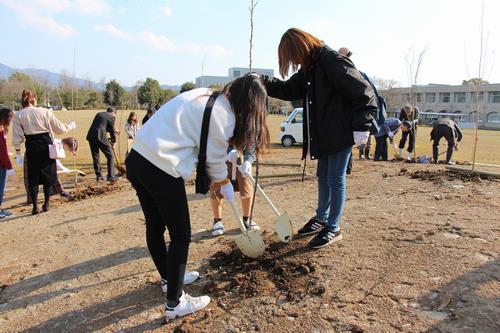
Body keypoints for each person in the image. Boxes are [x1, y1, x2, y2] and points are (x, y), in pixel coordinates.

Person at [126, 74, 270, 320]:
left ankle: (169, 280)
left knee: (156, 226)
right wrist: (224, 182)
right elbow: (214, 162)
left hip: (137, 159)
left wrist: (224, 175)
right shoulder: (223, 115)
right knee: (181, 235)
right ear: (250, 103)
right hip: (160, 166)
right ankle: (175, 303)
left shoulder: (208, 96)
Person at [261, 28, 377, 249]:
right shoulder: (311, 66)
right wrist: (262, 80)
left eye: (293, 56)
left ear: (301, 48)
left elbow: (364, 91)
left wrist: (362, 126)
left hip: (341, 132)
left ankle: (333, 227)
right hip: (325, 133)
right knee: (323, 175)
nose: (294, 61)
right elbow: (288, 89)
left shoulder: (331, 60)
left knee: (336, 178)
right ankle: (321, 218)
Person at [12, 90, 76, 215]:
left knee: (33, 177)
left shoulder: (18, 115)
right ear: (33, 99)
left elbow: (17, 136)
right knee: (48, 175)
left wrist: (18, 153)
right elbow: (59, 128)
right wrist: (69, 126)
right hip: (46, 145)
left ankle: (35, 206)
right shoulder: (44, 111)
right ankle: (46, 203)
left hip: (31, 146)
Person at [210, 145, 257, 236]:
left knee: (246, 187)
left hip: (242, 159)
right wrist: (228, 151)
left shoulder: (248, 130)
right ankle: (217, 221)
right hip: (220, 160)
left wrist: (248, 160)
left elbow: (251, 142)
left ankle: (246, 219)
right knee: (217, 188)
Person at [86, 107, 117, 182]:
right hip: (100, 136)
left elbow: (102, 126)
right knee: (110, 156)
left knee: (95, 156)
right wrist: (114, 142)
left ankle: (99, 176)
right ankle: (111, 176)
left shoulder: (99, 114)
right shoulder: (111, 117)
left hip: (91, 136)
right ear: (113, 113)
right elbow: (111, 131)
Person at [0, 105, 14, 219]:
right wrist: (9, 166)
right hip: (1, 165)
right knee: (0, 187)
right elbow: (2, 152)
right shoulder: (0, 131)